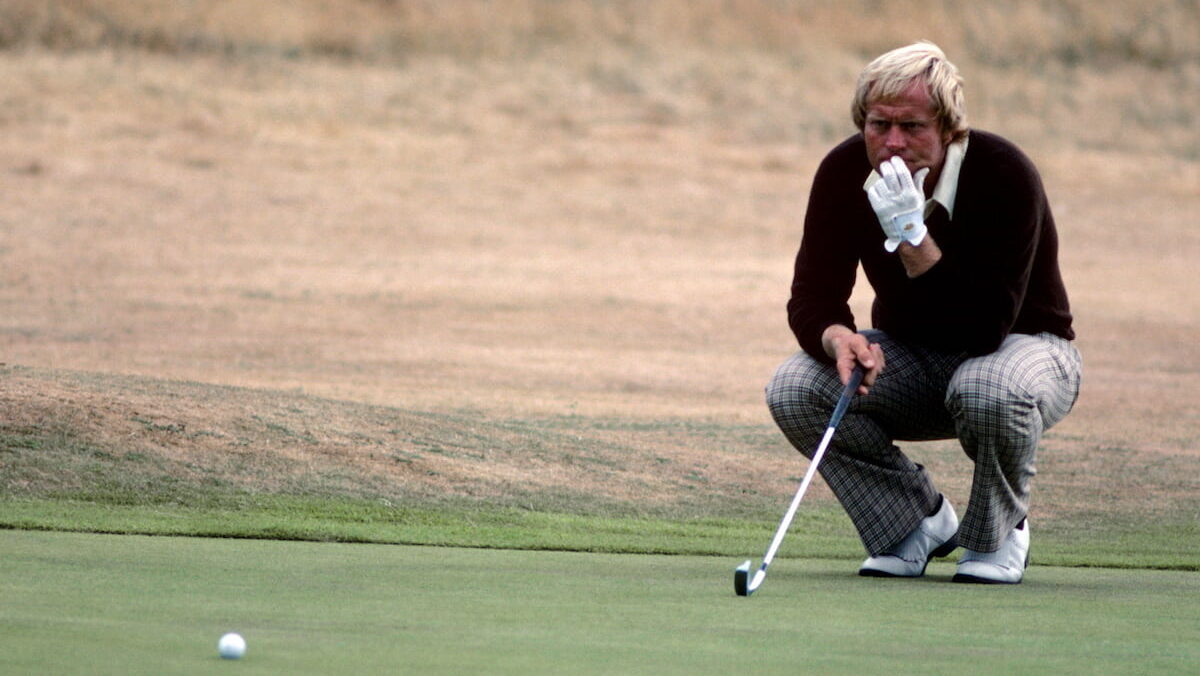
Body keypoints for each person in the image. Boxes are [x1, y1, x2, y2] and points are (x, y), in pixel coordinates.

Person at [765, 41, 1081, 584]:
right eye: (878, 123)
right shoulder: (844, 172)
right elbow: (812, 294)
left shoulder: (1004, 173)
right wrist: (838, 337)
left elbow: (984, 328)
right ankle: (913, 523)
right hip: (912, 353)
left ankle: (998, 535)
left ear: (949, 128)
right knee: (796, 387)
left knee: (987, 387)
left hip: (1027, 351)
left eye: (912, 127)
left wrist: (913, 236)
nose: (892, 143)